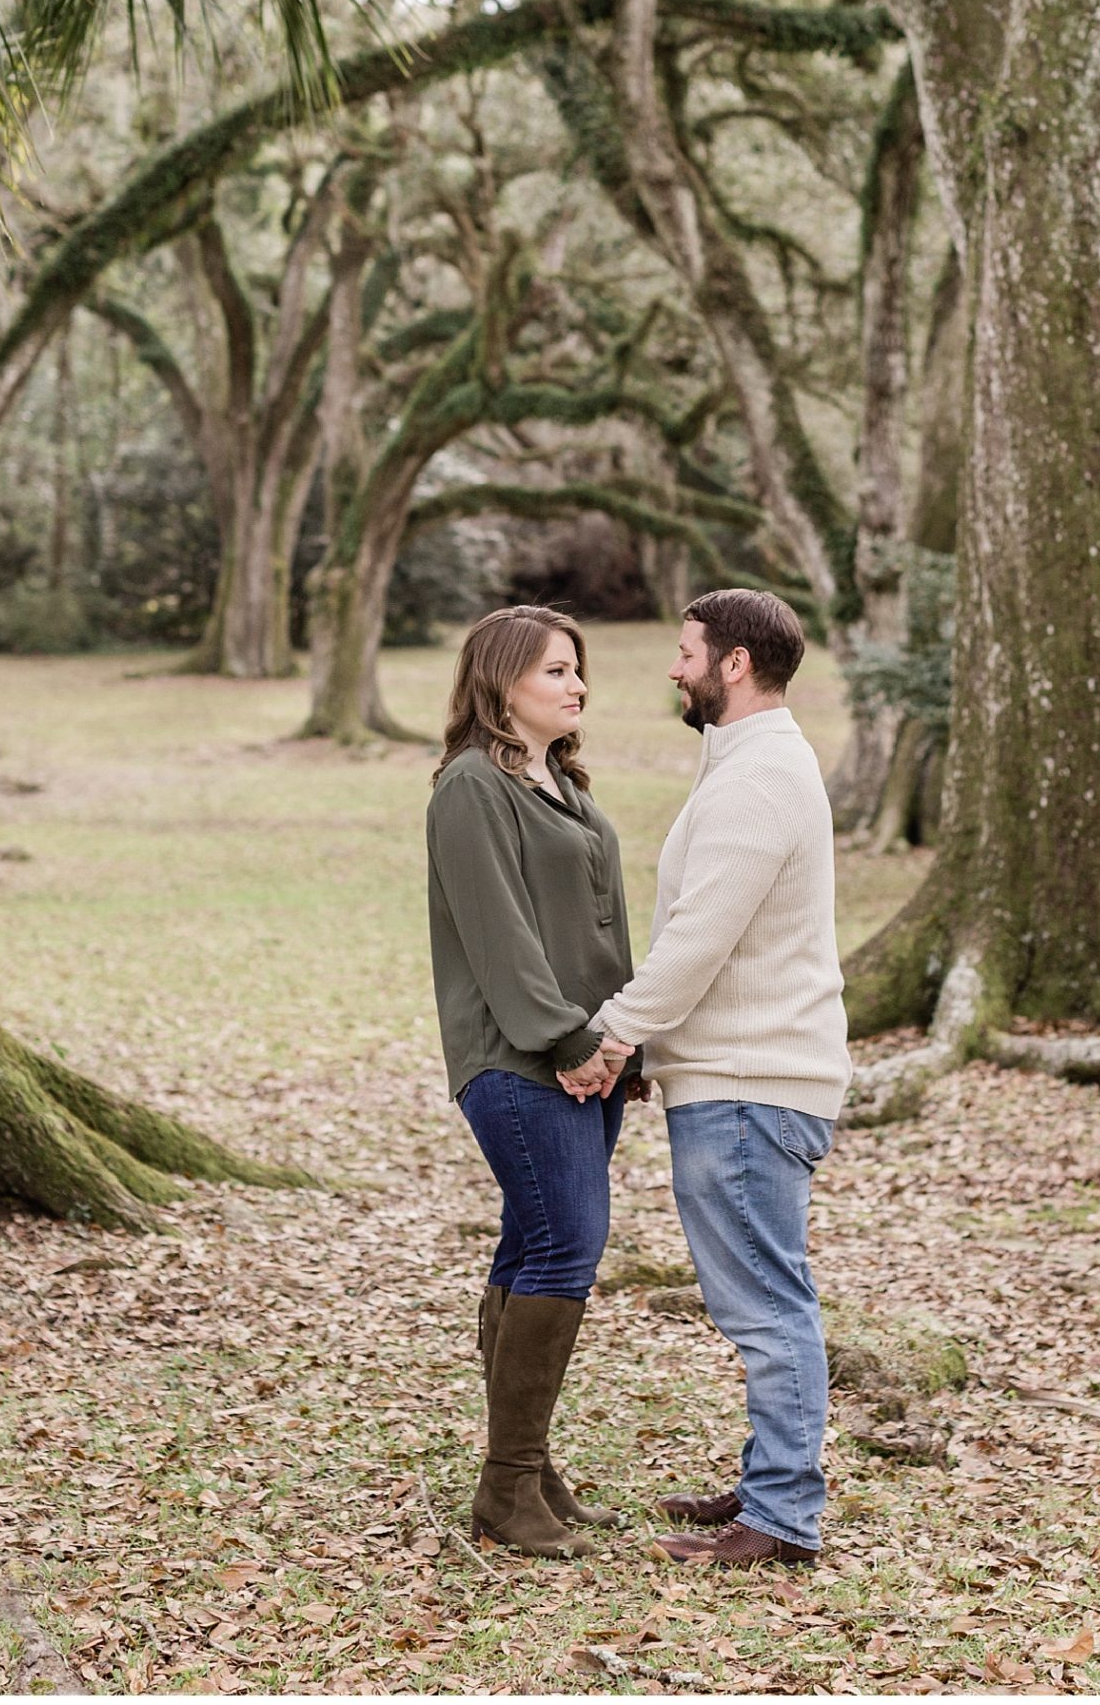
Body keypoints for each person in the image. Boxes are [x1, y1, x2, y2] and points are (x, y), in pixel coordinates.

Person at [564, 590, 850, 1568]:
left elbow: (698, 939)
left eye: (686, 652)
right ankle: (773, 1476)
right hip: (739, 1075)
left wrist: (615, 1039)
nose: (674, 668)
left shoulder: (759, 774)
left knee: (765, 1304)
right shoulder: (749, 762)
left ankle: (779, 1517)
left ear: (733, 664)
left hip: (749, 1086)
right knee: (763, 1298)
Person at [425, 604, 640, 1560]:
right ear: (502, 679)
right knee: (566, 1247)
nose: (576, 685)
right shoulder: (471, 787)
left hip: (586, 1059)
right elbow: (500, 935)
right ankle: (507, 1487)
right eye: (556, 671)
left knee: (533, 1249)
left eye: (577, 671)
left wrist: (624, 1040)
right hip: (518, 1060)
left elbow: (602, 934)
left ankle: (528, 1468)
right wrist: (565, 1040)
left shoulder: (565, 786)